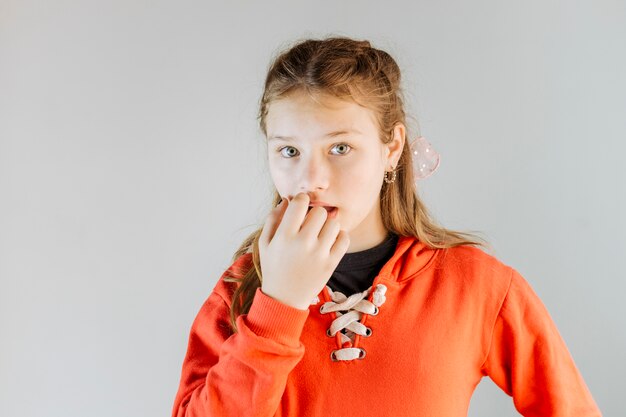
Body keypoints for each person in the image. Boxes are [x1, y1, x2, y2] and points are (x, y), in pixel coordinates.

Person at [171, 36, 602, 417]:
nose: (310, 179)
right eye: (288, 151)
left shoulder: (478, 285)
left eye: (340, 147)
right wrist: (278, 308)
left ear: (391, 147)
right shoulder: (241, 290)